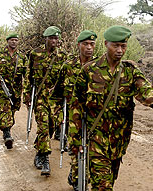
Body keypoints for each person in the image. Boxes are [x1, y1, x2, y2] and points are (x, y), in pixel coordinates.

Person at [70, 25, 153, 190]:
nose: (120, 50)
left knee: (110, 181)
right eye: (115, 45)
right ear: (106, 44)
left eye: (123, 46)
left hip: (119, 140)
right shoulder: (89, 71)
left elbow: (146, 91)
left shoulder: (130, 71)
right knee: (102, 186)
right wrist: (75, 140)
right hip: (95, 138)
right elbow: (76, 107)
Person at [23, 26, 68, 176]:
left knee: (51, 126)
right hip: (40, 96)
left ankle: (39, 149)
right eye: (52, 38)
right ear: (46, 39)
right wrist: (27, 94)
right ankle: (45, 158)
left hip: (56, 99)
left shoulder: (62, 56)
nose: (55, 41)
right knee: (43, 126)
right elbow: (28, 75)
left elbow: (66, 77)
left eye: (57, 38)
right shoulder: (35, 53)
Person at [55, 30, 98, 189]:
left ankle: (77, 175)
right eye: (85, 44)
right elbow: (57, 93)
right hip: (73, 117)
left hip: (94, 117)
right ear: (78, 45)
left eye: (92, 44)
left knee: (92, 152)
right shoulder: (68, 66)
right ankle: (78, 179)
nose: (89, 47)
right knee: (76, 148)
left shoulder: (99, 66)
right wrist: (57, 114)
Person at [0, 33, 27, 149]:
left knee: (12, 110)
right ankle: (7, 134)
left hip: (16, 90)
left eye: (16, 40)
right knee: (5, 110)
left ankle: (8, 126)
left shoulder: (22, 57)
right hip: (2, 89)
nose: (14, 42)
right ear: (7, 41)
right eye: (12, 40)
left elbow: (26, 73)